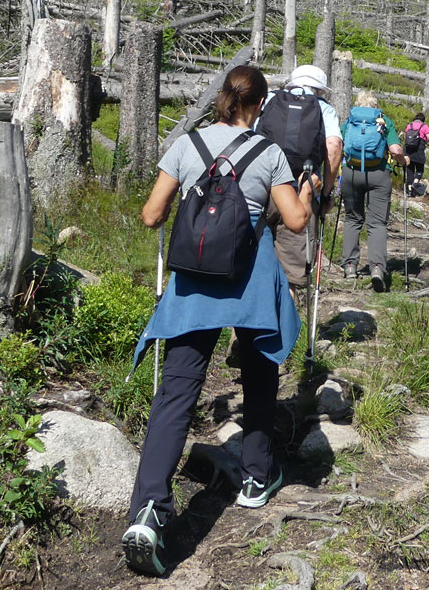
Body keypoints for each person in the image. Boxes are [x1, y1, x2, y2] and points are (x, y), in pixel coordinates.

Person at [123, 66, 319, 577]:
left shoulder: (187, 145)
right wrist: (308, 189)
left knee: (176, 392)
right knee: (258, 376)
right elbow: (295, 220)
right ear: (258, 106)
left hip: (194, 284)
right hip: (248, 283)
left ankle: (148, 510)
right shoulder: (269, 153)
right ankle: (256, 476)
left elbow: (150, 215)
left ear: (223, 99)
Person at [255, 64, 342, 292]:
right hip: (300, 190)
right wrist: (326, 192)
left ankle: (247, 325)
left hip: (261, 187)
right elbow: (333, 147)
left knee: (251, 267)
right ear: (320, 90)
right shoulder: (323, 108)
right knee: (290, 275)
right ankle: (284, 324)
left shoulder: (268, 100)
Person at [340, 90, 409, 291]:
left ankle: (350, 266)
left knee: (352, 219)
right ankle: (377, 268)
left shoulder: (350, 121)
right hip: (378, 174)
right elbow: (395, 150)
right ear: (375, 105)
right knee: (377, 223)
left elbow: (339, 144)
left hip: (351, 173)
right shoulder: (383, 120)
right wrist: (403, 160)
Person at [402, 111, 429, 195]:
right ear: (423, 120)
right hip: (418, 150)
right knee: (420, 169)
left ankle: (409, 191)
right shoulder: (424, 126)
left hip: (408, 150)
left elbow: (405, 137)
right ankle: (415, 184)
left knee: (410, 170)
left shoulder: (409, 125)